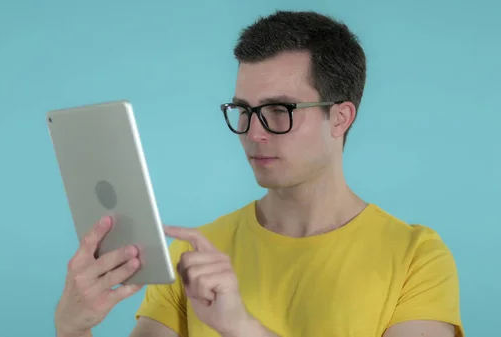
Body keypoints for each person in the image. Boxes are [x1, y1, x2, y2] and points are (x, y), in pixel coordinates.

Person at [53, 10, 464, 337]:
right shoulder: (196, 254)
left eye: (278, 111)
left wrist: (240, 328)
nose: (253, 132)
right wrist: (73, 328)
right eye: (244, 111)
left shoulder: (417, 257)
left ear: (340, 117)